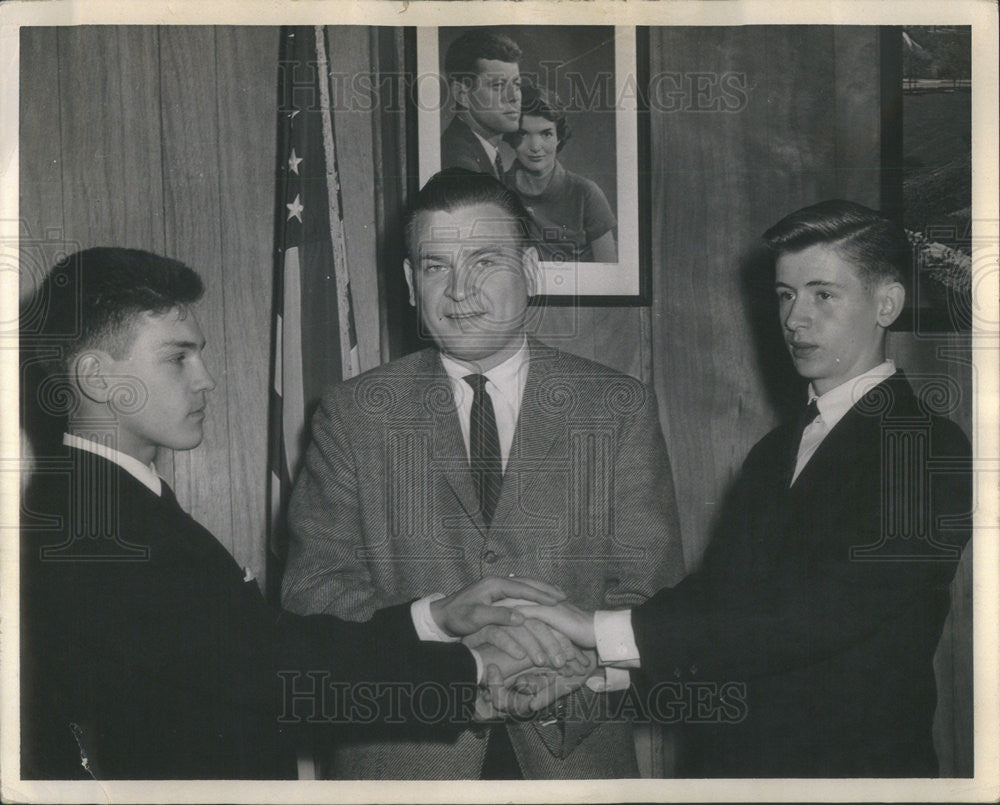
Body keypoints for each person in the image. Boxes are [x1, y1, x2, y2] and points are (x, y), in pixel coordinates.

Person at [18, 247, 570, 780]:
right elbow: (270, 671)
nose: (205, 378)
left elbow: (255, 645)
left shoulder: (107, 501)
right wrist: (471, 670)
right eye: (177, 357)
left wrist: (435, 618)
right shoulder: (94, 525)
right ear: (97, 378)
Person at [518, 200, 973, 777]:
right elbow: (721, 597)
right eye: (786, 295)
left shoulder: (928, 446)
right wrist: (594, 665)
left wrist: (598, 629)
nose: (795, 319)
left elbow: (813, 613)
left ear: (886, 303)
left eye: (822, 294)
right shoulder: (775, 451)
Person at [281, 169, 686, 779]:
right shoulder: (353, 413)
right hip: (403, 760)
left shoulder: (615, 407)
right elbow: (314, 597)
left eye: (484, 261)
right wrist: (456, 663)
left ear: (530, 272)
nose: (460, 290)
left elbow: (650, 595)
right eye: (436, 265)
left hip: (574, 757)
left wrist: (568, 674)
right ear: (411, 284)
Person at [504, 83, 617, 263]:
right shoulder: (498, 189)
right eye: (523, 134)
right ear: (510, 136)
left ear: (559, 137)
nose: (535, 147)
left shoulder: (586, 193)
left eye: (546, 134)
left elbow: (609, 274)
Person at [440, 30, 522, 178]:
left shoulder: (479, 151)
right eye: (498, 85)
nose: (514, 97)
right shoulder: (460, 165)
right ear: (462, 94)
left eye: (517, 85)